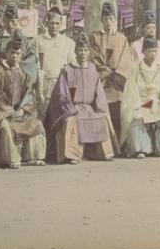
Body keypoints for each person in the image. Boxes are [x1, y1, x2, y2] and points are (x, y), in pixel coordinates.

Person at [43, 35, 119, 164]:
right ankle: (72, 155)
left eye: (85, 50)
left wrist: (101, 109)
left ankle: (102, 153)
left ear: (88, 52)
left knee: (103, 117)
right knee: (71, 121)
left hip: (89, 108)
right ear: (75, 51)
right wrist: (70, 109)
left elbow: (99, 93)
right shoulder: (67, 70)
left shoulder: (93, 70)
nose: (82, 53)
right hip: (72, 108)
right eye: (80, 50)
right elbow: (61, 94)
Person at [0, 35, 46, 169]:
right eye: (12, 53)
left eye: (18, 53)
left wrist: (23, 109)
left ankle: (32, 156)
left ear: (22, 55)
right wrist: (9, 111)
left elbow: (29, 95)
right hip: (2, 114)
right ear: (6, 53)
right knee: (6, 127)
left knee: (35, 123)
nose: (15, 56)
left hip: (19, 112)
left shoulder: (24, 73)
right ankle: (11, 158)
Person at [120, 37, 160, 159]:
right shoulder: (135, 70)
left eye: (155, 51)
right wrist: (139, 105)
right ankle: (140, 149)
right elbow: (130, 92)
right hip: (141, 103)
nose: (153, 54)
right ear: (143, 52)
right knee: (135, 117)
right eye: (150, 51)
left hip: (159, 103)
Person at [88, 1, 135, 137]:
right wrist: (104, 71)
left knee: (116, 113)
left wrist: (116, 75)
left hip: (117, 82)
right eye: (106, 19)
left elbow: (126, 61)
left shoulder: (122, 38)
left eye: (111, 19)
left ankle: (117, 143)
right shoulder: (95, 37)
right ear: (101, 19)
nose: (108, 22)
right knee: (101, 111)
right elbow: (93, 57)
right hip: (101, 80)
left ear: (115, 20)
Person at [35, 0, 76, 118]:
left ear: (61, 24)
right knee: (44, 116)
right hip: (44, 85)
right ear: (47, 22)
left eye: (57, 23)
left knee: (60, 117)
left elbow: (72, 65)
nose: (54, 26)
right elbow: (37, 65)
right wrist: (39, 89)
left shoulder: (68, 43)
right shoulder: (38, 41)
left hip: (61, 85)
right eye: (52, 23)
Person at [0, 3, 39, 89]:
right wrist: (1, 67)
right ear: (3, 21)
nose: (10, 24)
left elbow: (31, 60)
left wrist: (18, 66)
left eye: (13, 21)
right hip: (1, 79)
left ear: (17, 21)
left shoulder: (26, 41)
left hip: (21, 80)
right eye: (7, 21)